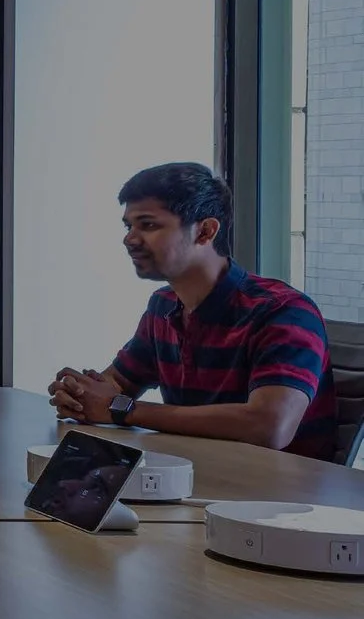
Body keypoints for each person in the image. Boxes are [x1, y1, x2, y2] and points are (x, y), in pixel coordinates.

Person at [48, 162, 338, 460]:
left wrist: (122, 409)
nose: (129, 239)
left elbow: (269, 426)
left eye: (148, 225)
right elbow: (117, 384)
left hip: (284, 496)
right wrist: (80, 394)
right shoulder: (163, 305)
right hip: (197, 476)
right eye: (128, 226)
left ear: (205, 231)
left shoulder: (283, 311)